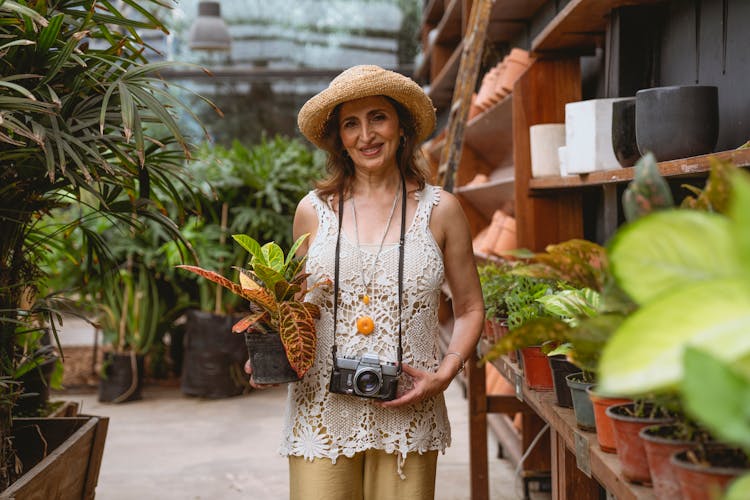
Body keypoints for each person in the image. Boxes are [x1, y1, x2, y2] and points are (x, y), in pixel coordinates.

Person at [245, 65, 484, 500]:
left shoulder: (442, 210)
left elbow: (469, 308)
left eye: (378, 117)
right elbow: (293, 304)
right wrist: (269, 351)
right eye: (350, 123)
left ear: (402, 127)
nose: (366, 135)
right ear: (339, 138)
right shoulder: (312, 211)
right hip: (321, 407)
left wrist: (446, 374)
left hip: (409, 405)